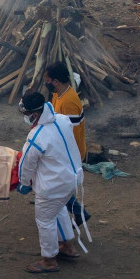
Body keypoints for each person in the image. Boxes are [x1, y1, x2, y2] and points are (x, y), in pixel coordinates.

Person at [17, 92, 85, 274]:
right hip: (72, 179)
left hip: (53, 185)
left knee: (45, 219)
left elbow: (26, 163)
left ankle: (49, 260)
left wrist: (23, 182)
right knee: (59, 209)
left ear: (35, 114)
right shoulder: (62, 120)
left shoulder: (36, 136)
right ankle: (68, 246)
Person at [43, 62, 91, 226]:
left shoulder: (69, 102)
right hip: (64, 150)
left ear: (55, 81)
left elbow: (70, 135)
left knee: (59, 187)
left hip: (71, 152)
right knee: (58, 186)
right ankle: (79, 213)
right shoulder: (58, 95)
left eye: (48, 80)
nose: (47, 83)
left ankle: (79, 213)